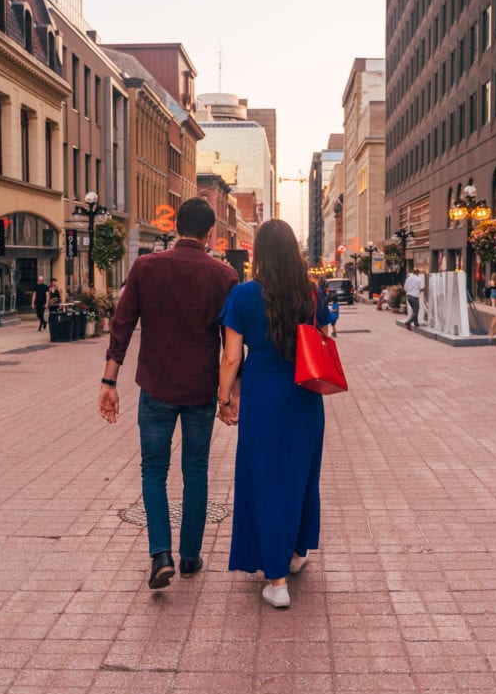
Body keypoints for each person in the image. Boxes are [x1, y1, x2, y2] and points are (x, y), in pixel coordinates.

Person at [97, 197, 239, 590]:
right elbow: (232, 346)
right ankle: (190, 555)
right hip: (199, 389)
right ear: (211, 232)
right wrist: (229, 396)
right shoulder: (225, 276)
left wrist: (108, 382)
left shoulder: (145, 267)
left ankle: (161, 553)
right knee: (195, 471)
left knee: (153, 470)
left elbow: (121, 326)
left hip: (156, 386)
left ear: (175, 226)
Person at [217, 219, 334, 609]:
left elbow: (232, 356)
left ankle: (277, 582)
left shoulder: (244, 295)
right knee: (300, 476)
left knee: (266, 480)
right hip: (304, 395)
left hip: (263, 397)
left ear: (260, 254)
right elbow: (327, 339)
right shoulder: (311, 293)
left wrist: (224, 397)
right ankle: (297, 553)